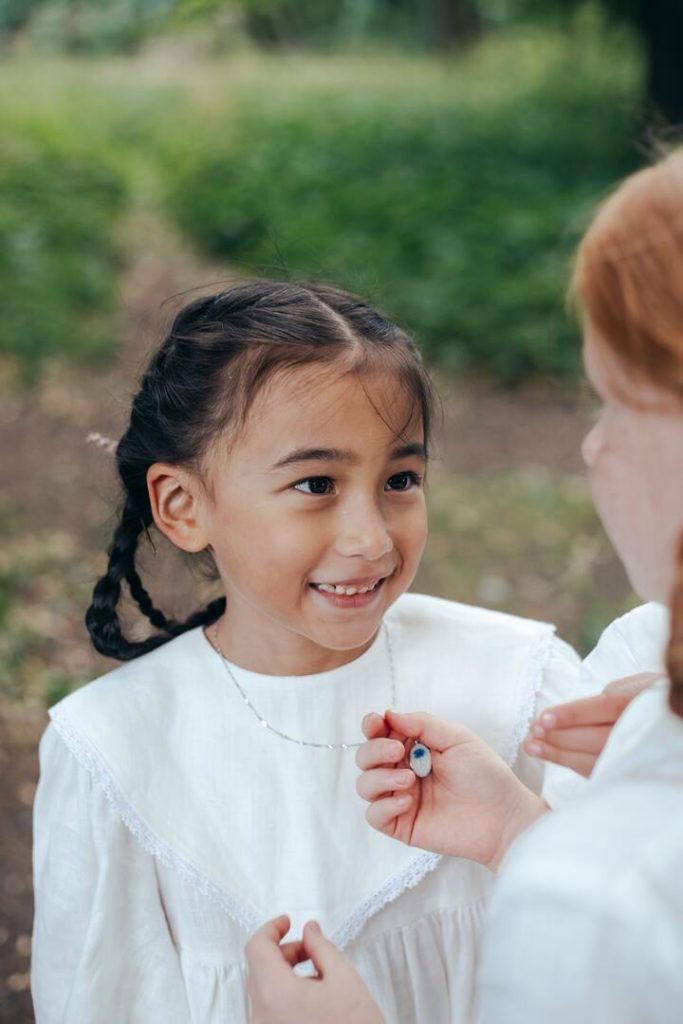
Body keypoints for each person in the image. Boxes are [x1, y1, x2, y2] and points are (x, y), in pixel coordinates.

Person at [31, 281, 590, 1024]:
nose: (371, 537)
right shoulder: (114, 753)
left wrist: (523, 837)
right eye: (315, 483)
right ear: (183, 507)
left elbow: (632, 964)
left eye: (399, 479)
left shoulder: (520, 685)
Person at [246, 149, 683, 1023]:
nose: (591, 447)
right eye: (315, 484)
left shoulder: (602, 891)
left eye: (613, 400)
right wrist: (519, 831)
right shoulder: (633, 687)